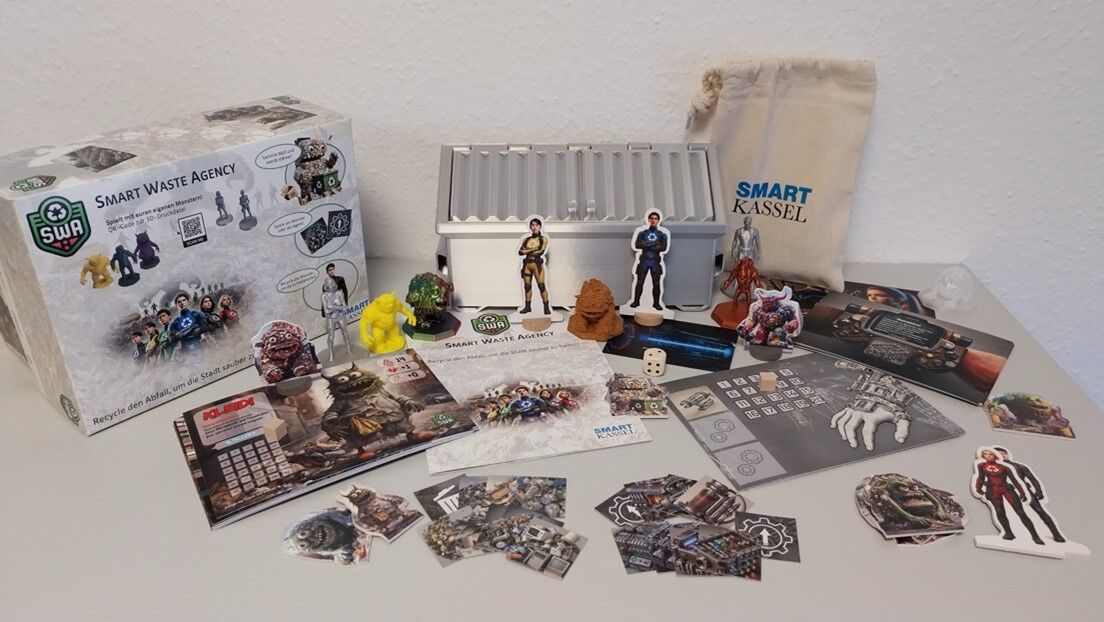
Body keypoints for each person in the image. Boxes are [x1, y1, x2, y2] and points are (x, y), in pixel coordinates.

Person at [993, 447, 1065, 542]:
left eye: (1004, 453)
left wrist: (1039, 491)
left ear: (1007, 454)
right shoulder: (994, 467)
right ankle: (1012, 533)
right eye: (999, 453)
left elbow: (1032, 479)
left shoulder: (1019, 466)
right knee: (1013, 513)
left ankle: (1057, 534)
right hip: (1007, 492)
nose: (1002, 455)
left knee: (1040, 511)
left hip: (1025, 491)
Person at [974, 448, 1044, 545]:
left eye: (990, 454)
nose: (988, 456)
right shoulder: (981, 466)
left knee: (1020, 512)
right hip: (993, 491)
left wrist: (1022, 493)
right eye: (985, 454)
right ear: (982, 456)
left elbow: (1015, 481)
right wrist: (978, 488)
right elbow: (981, 477)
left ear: (995, 456)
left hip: (1006, 489)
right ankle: (1008, 533)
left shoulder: (1004, 467)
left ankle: (1035, 536)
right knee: (999, 512)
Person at [630, 211, 669, 310]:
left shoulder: (662, 235)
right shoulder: (642, 233)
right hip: (644, 260)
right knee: (639, 282)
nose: (653, 220)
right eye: (651, 218)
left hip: (655, 261)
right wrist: (654, 243)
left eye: (655, 219)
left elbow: (663, 247)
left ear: (658, 220)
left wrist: (646, 244)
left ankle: (656, 303)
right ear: (648, 220)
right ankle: (636, 301)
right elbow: (638, 245)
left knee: (656, 283)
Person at [517, 218, 550, 315]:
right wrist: (532, 249)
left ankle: (546, 307)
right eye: (533, 225)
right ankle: (527, 307)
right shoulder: (526, 239)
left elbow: (540, 251)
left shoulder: (543, 239)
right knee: (527, 286)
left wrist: (527, 250)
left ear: (540, 226)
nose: (535, 227)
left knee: (541, 286)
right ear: (530, 227)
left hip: (537, 264)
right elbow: (520, 252)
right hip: (527, 264)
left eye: (536, 225)